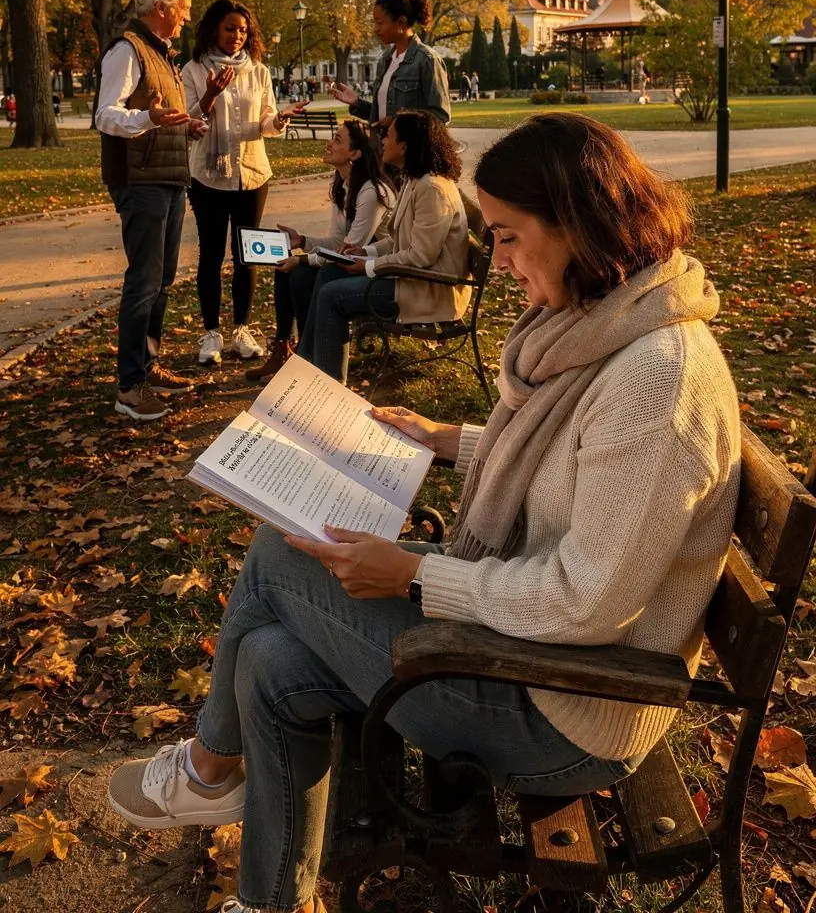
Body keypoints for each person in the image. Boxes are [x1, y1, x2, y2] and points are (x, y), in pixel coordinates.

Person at [108, 113, 741, 913]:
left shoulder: (657, 379)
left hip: (569, 710)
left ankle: (207, 768)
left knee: (278, 555)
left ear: (578, 223)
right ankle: (269, 900)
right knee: (269, 664)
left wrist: (415, 575)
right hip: (534, 658)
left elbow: (589, 599)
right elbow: (578, 468)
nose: (498, 262)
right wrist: (448, 441)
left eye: (508, 237)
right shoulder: (616, 319)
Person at [94, 0, 205, 422]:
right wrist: (148, 121)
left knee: (161, 281)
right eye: (183, 9)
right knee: (144, 282)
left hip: (167, 179)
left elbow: (160, 117)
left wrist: (186, 124)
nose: (186, 18)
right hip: (140, 184)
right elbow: (105, 115)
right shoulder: (127, 49)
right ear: (161, 7)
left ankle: (148, 364)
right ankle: (130, 387)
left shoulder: (162, 54)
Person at [296, 111, 470, 384]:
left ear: (405, 145)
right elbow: (399, 239)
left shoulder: (432, 189)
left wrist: (367, 266)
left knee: (332, 296)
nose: (383, 143)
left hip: (427, 290)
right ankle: (308, 369)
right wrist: (366, 252)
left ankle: (327, 387)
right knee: (329, 275)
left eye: (388, 136)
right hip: (410, 279)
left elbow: (420, 255)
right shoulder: (415, 180)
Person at [182, 0, 302, 367]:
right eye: (229, 28)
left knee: (247, 255)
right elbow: (188, 122)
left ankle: (241, 329)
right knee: (212, 255)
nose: (236, 36)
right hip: (208, 177)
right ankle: (211, 334)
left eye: (242, 30)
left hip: (251, 175)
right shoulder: (193, 69)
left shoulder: (258, 72)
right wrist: (210, 94)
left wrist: (278, 121)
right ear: (214, 30)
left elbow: (263, 123)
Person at [247, 120, 396, 383]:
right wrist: (302, 240)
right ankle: (288, 348)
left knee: (305, 273)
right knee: (288, 271)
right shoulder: (344, 184)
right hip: (355, 262)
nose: (330, 143)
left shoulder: (371, 191)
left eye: (338, 140)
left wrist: (303, 258)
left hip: (378, 268)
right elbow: (336, 241)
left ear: (356, 153)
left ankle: (308, 360)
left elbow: (349, 250)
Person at [331, 0, 450, 130]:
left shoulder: (427, 60)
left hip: (411, 151)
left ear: (401, 22)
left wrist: (398, 122)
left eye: (380, 23)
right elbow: (382, 117)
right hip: (382, 150)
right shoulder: (385, 60)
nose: (375, 29)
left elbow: (441, 116)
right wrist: (357, 103)